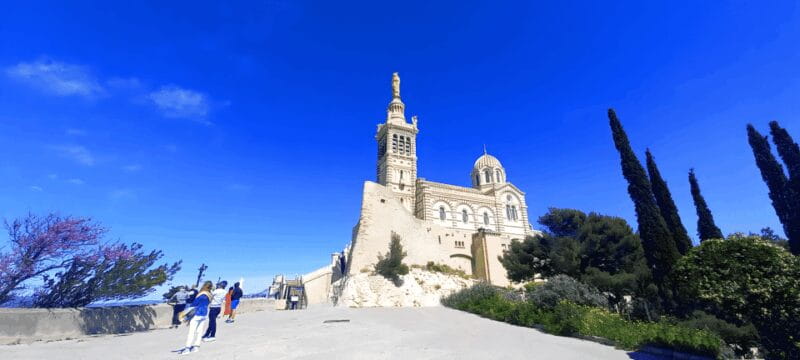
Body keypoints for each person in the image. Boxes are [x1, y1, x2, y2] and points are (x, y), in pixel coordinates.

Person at [177, 281, 212, 355]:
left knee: (191, 332)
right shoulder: (209, 295)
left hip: (197, 313)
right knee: (199, 331)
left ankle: (187, 348)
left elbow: (193, 304)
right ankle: (196, 346)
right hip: (204, 313)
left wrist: (185, 314)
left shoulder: (202, 294)